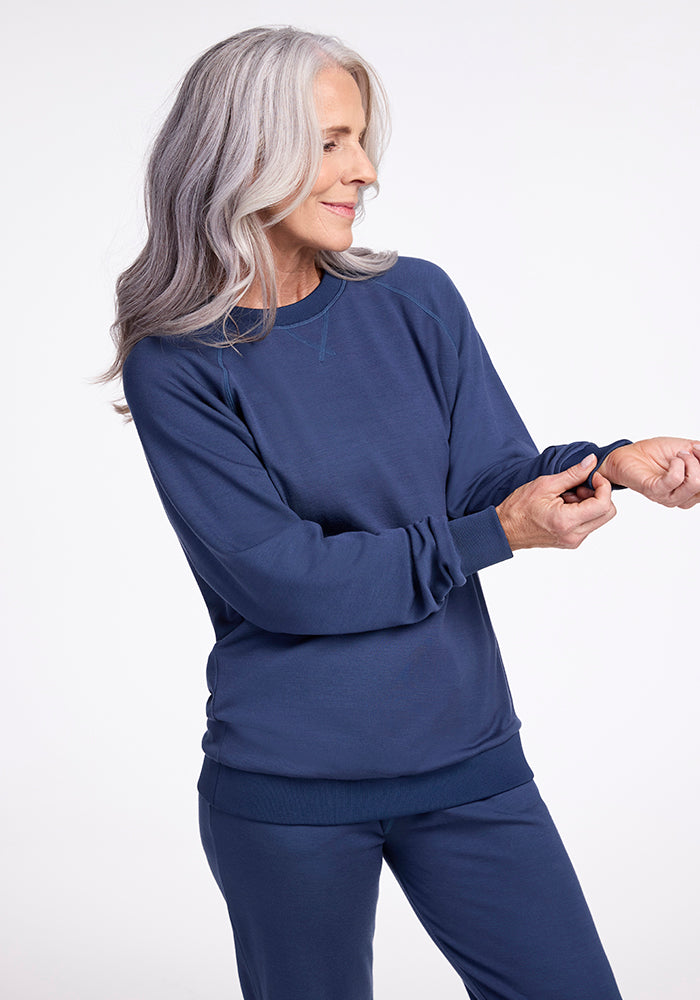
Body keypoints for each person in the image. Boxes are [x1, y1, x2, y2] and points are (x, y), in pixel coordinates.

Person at [105, 26, 699, 1000]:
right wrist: (496, 534)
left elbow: (487, 482)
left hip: (469, 761)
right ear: (243, 152)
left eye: (361, 139)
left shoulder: (415, 298)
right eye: (332, 142)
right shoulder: (178, 362)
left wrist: (615, 462)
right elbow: (283, 579)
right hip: (289, 794)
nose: (366, 170)